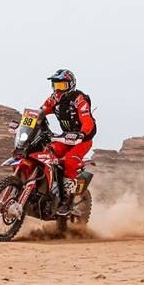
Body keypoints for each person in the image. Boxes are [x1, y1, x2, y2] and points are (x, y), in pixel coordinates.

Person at [40, 68, 97, 215]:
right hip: (65, 138)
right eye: (55, 85)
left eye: (62, 86)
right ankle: (47, 188)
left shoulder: (79, 99)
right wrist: (27, 122)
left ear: (71, 85)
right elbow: (40, 111)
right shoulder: (53, 99)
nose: (58, 90)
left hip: (82, 140)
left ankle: (67, 200)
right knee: (46, 153)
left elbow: (87, 121)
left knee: (70, 161)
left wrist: (82, 134)